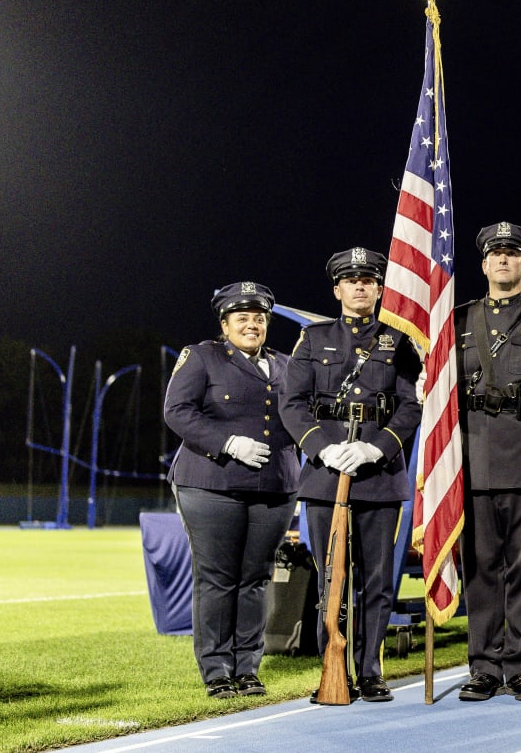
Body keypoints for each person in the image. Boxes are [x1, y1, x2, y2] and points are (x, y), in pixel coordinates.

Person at [281, 247, 422, 703]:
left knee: (378, 580)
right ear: (337, 289)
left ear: (380, 288)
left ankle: (371, 668)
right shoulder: (312, 338)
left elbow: (410, 405)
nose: (360, 286)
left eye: (369, 279)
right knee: (330, 578)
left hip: (378, 473)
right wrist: (323, 449)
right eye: (352, 279)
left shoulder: (399, 341)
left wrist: (374, 447)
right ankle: (332, 665)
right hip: (326, 476)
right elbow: (292, 404)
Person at [164, 281, 301, 699]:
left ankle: (247, 666)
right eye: (242, 318)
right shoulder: (202, 356)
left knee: (256, 578)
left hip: (274, 486)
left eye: (259, 318)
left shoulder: (285, 364)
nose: (252, 325)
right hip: (211, 483)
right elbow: (176, 411)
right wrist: (227, 442)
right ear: (225, 324)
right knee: (218, 578)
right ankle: (217, 669)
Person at [453, 222, 521, 702]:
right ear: (483, 263)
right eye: (495, 252)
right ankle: (483, 666)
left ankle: (519, 665)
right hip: (474, 462)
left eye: (513, 253)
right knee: (480, 570)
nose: (503, 259)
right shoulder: (456, 321)